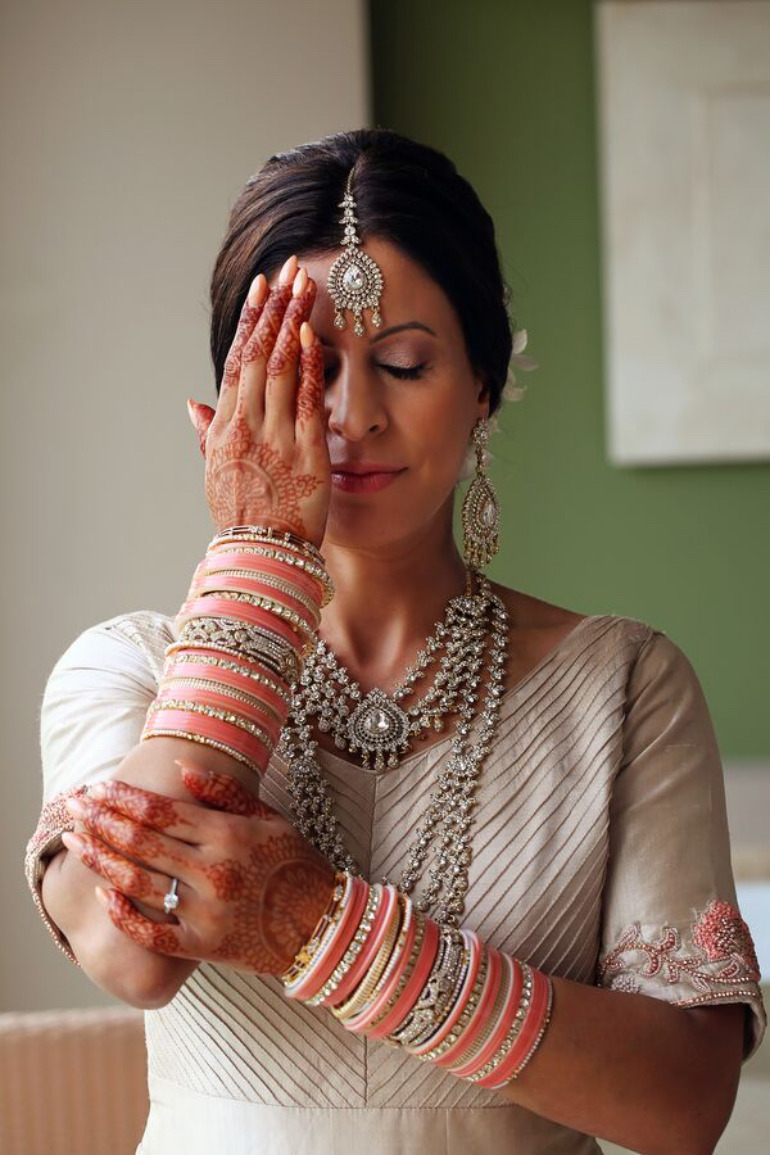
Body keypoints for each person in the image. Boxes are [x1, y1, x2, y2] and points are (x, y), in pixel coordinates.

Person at [25, 128, 765, 1155]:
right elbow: (131, 948)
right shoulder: (127, 669)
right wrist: (258, 559)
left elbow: (682, 1105)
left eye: (403, 362)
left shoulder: (625, 686)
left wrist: (323, 930)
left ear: (480, 386)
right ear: (232, 399)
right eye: (304, 366)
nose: (351, 413)